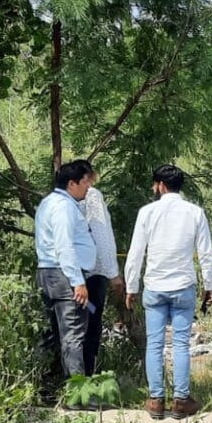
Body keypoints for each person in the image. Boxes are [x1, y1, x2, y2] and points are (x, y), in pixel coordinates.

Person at [124, 164, 212, 420]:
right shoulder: (195, 212)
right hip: (183, 285)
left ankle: (155, 401)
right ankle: (181, 401)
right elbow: (206, 253)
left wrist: (132, 287)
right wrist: (210, 285)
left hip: (154, 285)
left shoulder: (147, 212)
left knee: (154, 344)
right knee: (180, 344)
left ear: (160, 185)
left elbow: (135, 253)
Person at [34, 159, 96, 400]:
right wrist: (77, 281)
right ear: (72, 183)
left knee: (53, 334)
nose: (88, 187)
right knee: (73, 335)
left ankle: (46, 390)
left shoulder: (49, 203)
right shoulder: (64, 207)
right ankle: (77, 396)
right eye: (85, 182)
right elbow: (64, 246)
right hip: (64, 274)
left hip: (50, 273)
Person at [79, 161, 123, 377]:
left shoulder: (60, 200)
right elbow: (101, 233)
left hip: (70, 273)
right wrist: (113, 273)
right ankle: (86, 377)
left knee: (71, 327)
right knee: (91, 327)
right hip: (95, 273)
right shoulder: (92, 195)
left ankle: (66, 378)